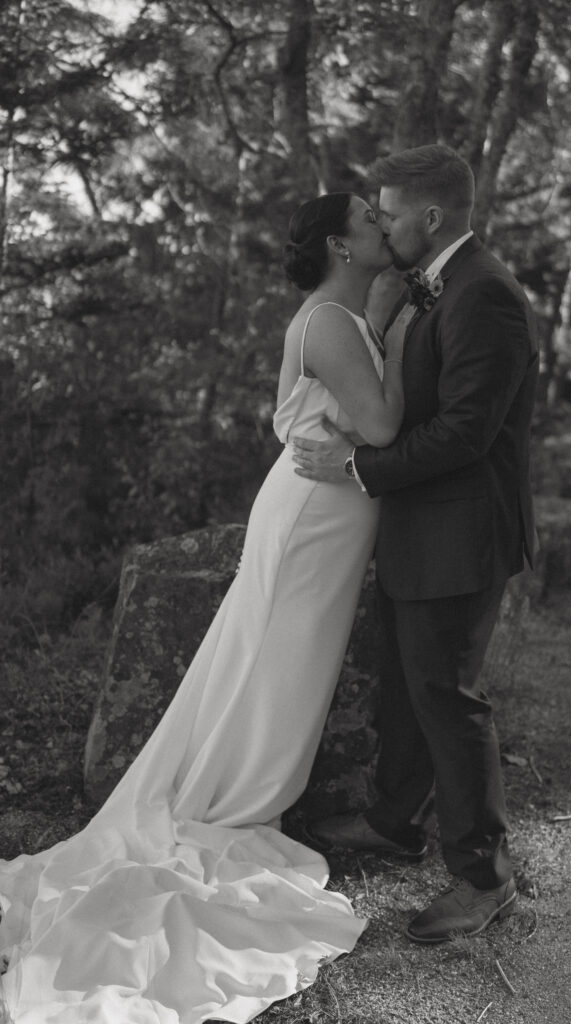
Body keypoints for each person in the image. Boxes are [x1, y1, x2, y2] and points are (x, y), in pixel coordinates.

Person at [0, 192, 406, 1023]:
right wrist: (395, 329)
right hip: (312, 522)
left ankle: (230, 789)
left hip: (320, 515)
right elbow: (382, 423)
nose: (382, 224)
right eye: (369, 216)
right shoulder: (332, 318)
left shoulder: (335, 312)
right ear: (342, 242)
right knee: (271, 670)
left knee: (270, 667)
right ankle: (230, 802)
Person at [293, 145, 539, 943]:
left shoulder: (485, 295)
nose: (382, 223)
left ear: (428, 218)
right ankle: (393, 822)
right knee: (406, 685)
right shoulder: (435, 288)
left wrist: (358, 466)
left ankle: (481, 877)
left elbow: (467, 433)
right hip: (418, 527)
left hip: (461, 532)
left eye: (389, 211)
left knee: (449, 699)